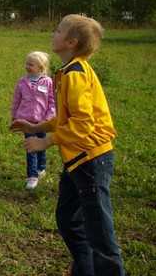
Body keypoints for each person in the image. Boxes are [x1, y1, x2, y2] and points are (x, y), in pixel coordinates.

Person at [11, 14, 124, 275]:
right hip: (77, 161)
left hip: (91, 160)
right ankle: (85, 268)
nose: (53, 32)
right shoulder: (67, 71)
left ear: (71, 42)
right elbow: (66, 118)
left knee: (101, 236)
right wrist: (37, 127)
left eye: (58, 30)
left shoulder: (75, 74)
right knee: (68, 219)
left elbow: (83, 125)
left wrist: (46, 142)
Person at [10, 51, 56, 190]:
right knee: (31, 147)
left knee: (41, 144)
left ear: (41, 67)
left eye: (31, 64)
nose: (27, 66)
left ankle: (41, 167)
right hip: (26, 122)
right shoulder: (22, 82)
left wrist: (48, 118)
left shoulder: (48, 82)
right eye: (27, 63)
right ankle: (32, 176)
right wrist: (14, 116)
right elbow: (16, 100)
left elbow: (52, 102)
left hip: (42, 121)